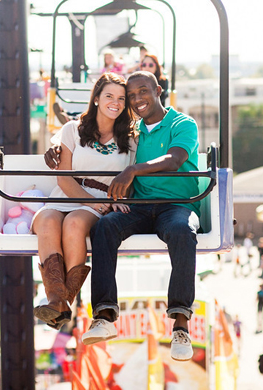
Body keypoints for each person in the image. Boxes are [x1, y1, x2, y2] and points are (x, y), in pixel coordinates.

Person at [47, 71, 201, 361]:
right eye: (131, 96)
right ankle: (104, 315)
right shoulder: (134, 131)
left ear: (158, 89)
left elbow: (175, 159)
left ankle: (180, 324)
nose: (137, 99)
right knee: (105, 227)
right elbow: (84, 134)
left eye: (142, 91)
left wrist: (132, 170)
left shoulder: (182, 123)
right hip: (141, 205)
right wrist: (55, 147)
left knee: (182, 231)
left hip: (176, 204)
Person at [33, 72, 136, 329]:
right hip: (70, 193)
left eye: (121, 98)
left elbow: (133, 179)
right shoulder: (72, 130)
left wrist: (117, 199)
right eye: (109, 96)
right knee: (46, 221)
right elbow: (64, 178)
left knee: (75, 224)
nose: (116, 102)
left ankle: (63, 301)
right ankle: (58, 301)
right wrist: (88, 201)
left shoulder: (132, 138)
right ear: (97, 99)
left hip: (103, 198)